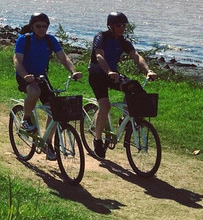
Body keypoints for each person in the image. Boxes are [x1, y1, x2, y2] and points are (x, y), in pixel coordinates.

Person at [87, 11, 157, 159]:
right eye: (119, 25)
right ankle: (97, 140)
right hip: (98, 74)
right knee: (105, 106)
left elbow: (136, 56)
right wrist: (109, 71)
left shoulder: (123, 41)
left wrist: (148, 71)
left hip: (113, 74)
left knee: (133, 88)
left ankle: (125, 119)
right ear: (110, 26)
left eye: (124, 25)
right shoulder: (101, 37)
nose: (122, 28)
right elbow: (99, 55)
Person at [13, 12, 81, 157]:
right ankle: (26, 119)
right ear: (32, 27)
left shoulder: (50, 40)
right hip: (25, 75)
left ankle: (47, 143)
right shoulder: (24, 40)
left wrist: (73, 71)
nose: (41, 29)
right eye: (38, 26)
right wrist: (25, 76)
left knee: (55, 109)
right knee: (34, 91)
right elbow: (17, 60)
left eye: (45, 26)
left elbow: (63, 57)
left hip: (42, 77)